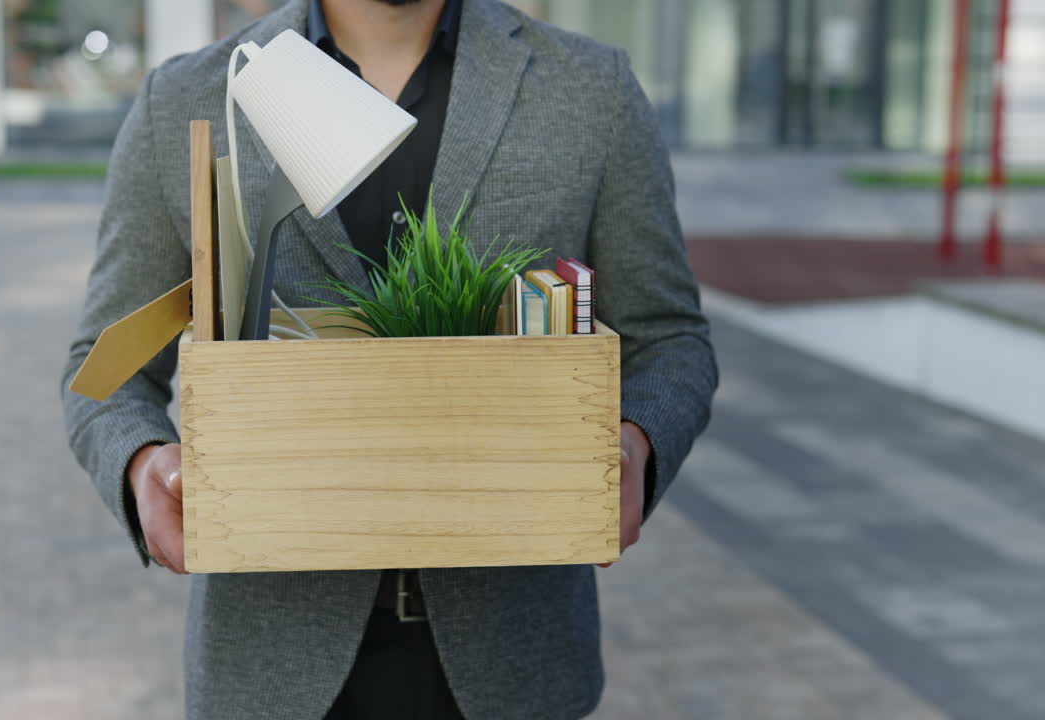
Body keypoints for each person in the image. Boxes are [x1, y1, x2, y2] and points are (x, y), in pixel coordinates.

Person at [60, 0, 717, 718]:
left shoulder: (591, 88)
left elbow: (669, 339)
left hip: (514, 660)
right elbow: (106, 366)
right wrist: (141, 461)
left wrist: (637, 442)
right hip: (272, 667)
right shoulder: (184, 99)